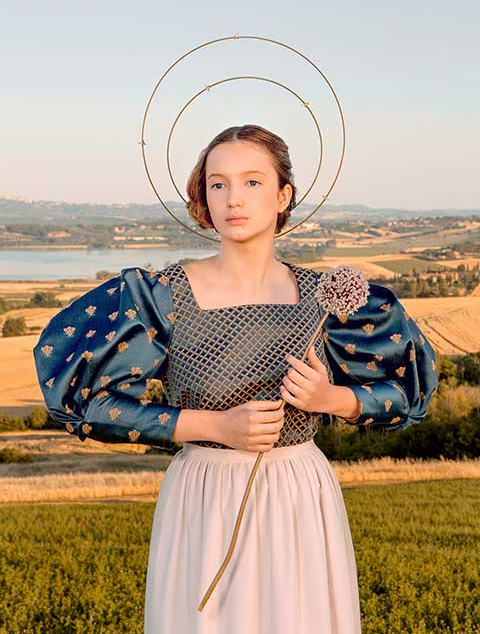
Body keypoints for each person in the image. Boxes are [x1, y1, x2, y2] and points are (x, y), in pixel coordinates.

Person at [33, 124, 438, 634]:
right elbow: (90, 404)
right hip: (205, 495)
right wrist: (216, 427)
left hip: (298, 493)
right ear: (203, 195)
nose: (233, 199)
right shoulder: (160, 297)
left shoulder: (327, 297)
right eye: (217, 183)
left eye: (252, 182)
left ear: (283, 194)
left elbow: (408, 392)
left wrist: (331, 396)